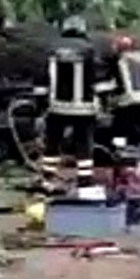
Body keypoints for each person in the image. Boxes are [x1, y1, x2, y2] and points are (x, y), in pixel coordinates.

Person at [41, 14, 99, 194]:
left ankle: (47, 180)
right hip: (84, 109)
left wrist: (40, 103)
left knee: (52, 143)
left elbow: (42, 78)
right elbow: (98, 79)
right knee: (84, 145)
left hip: (56, 107)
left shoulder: (52, 48)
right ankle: (85, 182)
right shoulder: (89, 49)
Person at [106, 34, 140, 154]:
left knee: (120, 125)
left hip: (129, 100)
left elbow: (114, 83)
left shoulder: (119, 60)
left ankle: (119, 152)